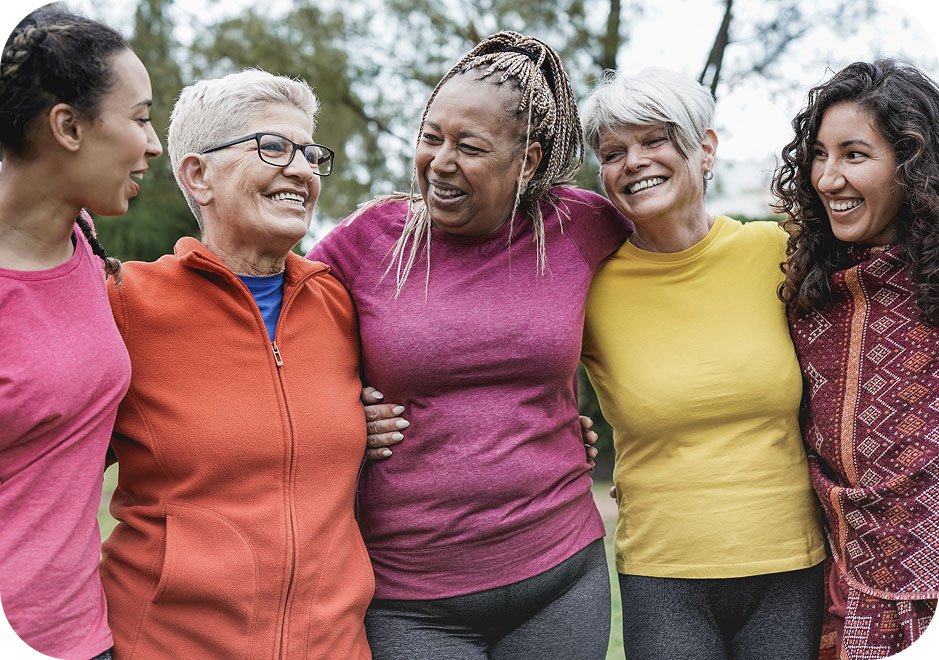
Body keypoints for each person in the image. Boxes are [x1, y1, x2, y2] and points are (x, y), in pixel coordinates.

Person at [307, 31, 630, 659]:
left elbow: (676, 260)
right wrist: (339, 414)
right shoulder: (368, 242)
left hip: (559, 575)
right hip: (409, 597)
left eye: (470, 146)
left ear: (528, 160)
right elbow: (273, 329)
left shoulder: (578, 226)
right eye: (432, 138)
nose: (441, 161)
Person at [98, 69, 372, 658]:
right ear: (199, 176)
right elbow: (43, 472)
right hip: (170, 645)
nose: (301, 170)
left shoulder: (341, 305)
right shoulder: (123, 304)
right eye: (273, 147)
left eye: (309, 153)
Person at [578, 67, 827, 659]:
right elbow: (508, 376)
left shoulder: (778, 254)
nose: (634, 161)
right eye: (614, 152)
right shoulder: (586, 288)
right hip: (664, 575)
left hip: (791, 567)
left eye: (655, 140)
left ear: (705, 149)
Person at [0, 7, 162, 659]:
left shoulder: (86, 248)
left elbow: (71, 425)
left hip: (82, 636)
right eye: (142, 118)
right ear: (68, 126)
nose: (154, 145)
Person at [772, 58, 938, 660]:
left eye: (855, 155)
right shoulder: (805, 290)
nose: (828, 177)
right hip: (825, 594)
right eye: (819, 154)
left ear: (912, 167)